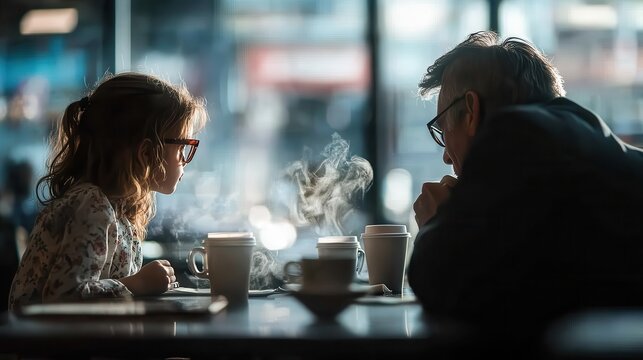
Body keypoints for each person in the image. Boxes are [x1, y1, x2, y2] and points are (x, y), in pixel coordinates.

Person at [407, 30, 643, 337]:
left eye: (443, 130)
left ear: (471, 111)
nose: (447, 160)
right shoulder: (586, 136)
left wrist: (437, 222)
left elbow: (441, 281)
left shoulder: (515, 136)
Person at [8, 72, 208, 310]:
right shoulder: (92, 206)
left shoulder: (118, 211)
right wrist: (137, 284)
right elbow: (63, 295)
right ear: (145, 153)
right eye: (182, 147)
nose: (184, 160)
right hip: (53, 347)